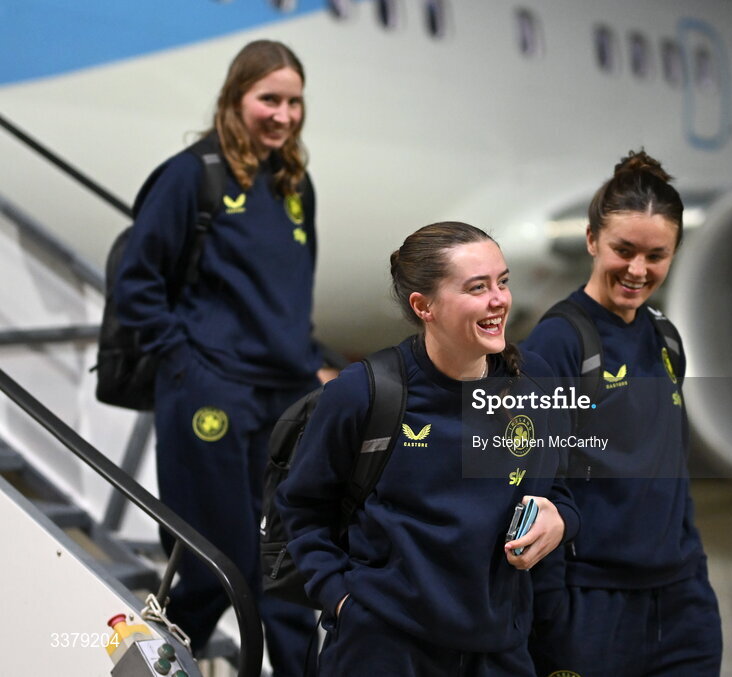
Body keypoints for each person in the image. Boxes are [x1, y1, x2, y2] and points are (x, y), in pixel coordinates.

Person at [277, 222, 581, 676]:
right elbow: (302, 509)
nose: (499, 299)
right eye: (477, 288)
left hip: (498, 650)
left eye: (502, 282)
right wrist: (343, 601)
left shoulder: (534, 381)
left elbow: (560, 489)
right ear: (424, 306)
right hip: (383, 650)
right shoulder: (365, 394)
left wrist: (561, 519)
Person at [114, 40, 326, 675]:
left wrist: (311, 359)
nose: (284, 115)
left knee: (285, 568)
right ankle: (143, 664)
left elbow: (290, 294)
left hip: (282, 395)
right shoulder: (190, 175)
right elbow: (137, 284)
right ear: (236, 99)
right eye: (270, 99)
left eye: (294, 101)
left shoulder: (295, 186)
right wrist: (186, 364)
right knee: (219, 564)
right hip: (211, 390)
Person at [523, 150, 723, 676]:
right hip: (590, 605)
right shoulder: (559, 342)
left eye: (656, 255)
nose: (637, 270)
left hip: (681, 603)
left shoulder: (666, 339)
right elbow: (531, 491)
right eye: (623, 250)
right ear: (592, 241)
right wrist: (550, 616)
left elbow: (671, 473)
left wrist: (694, 580)